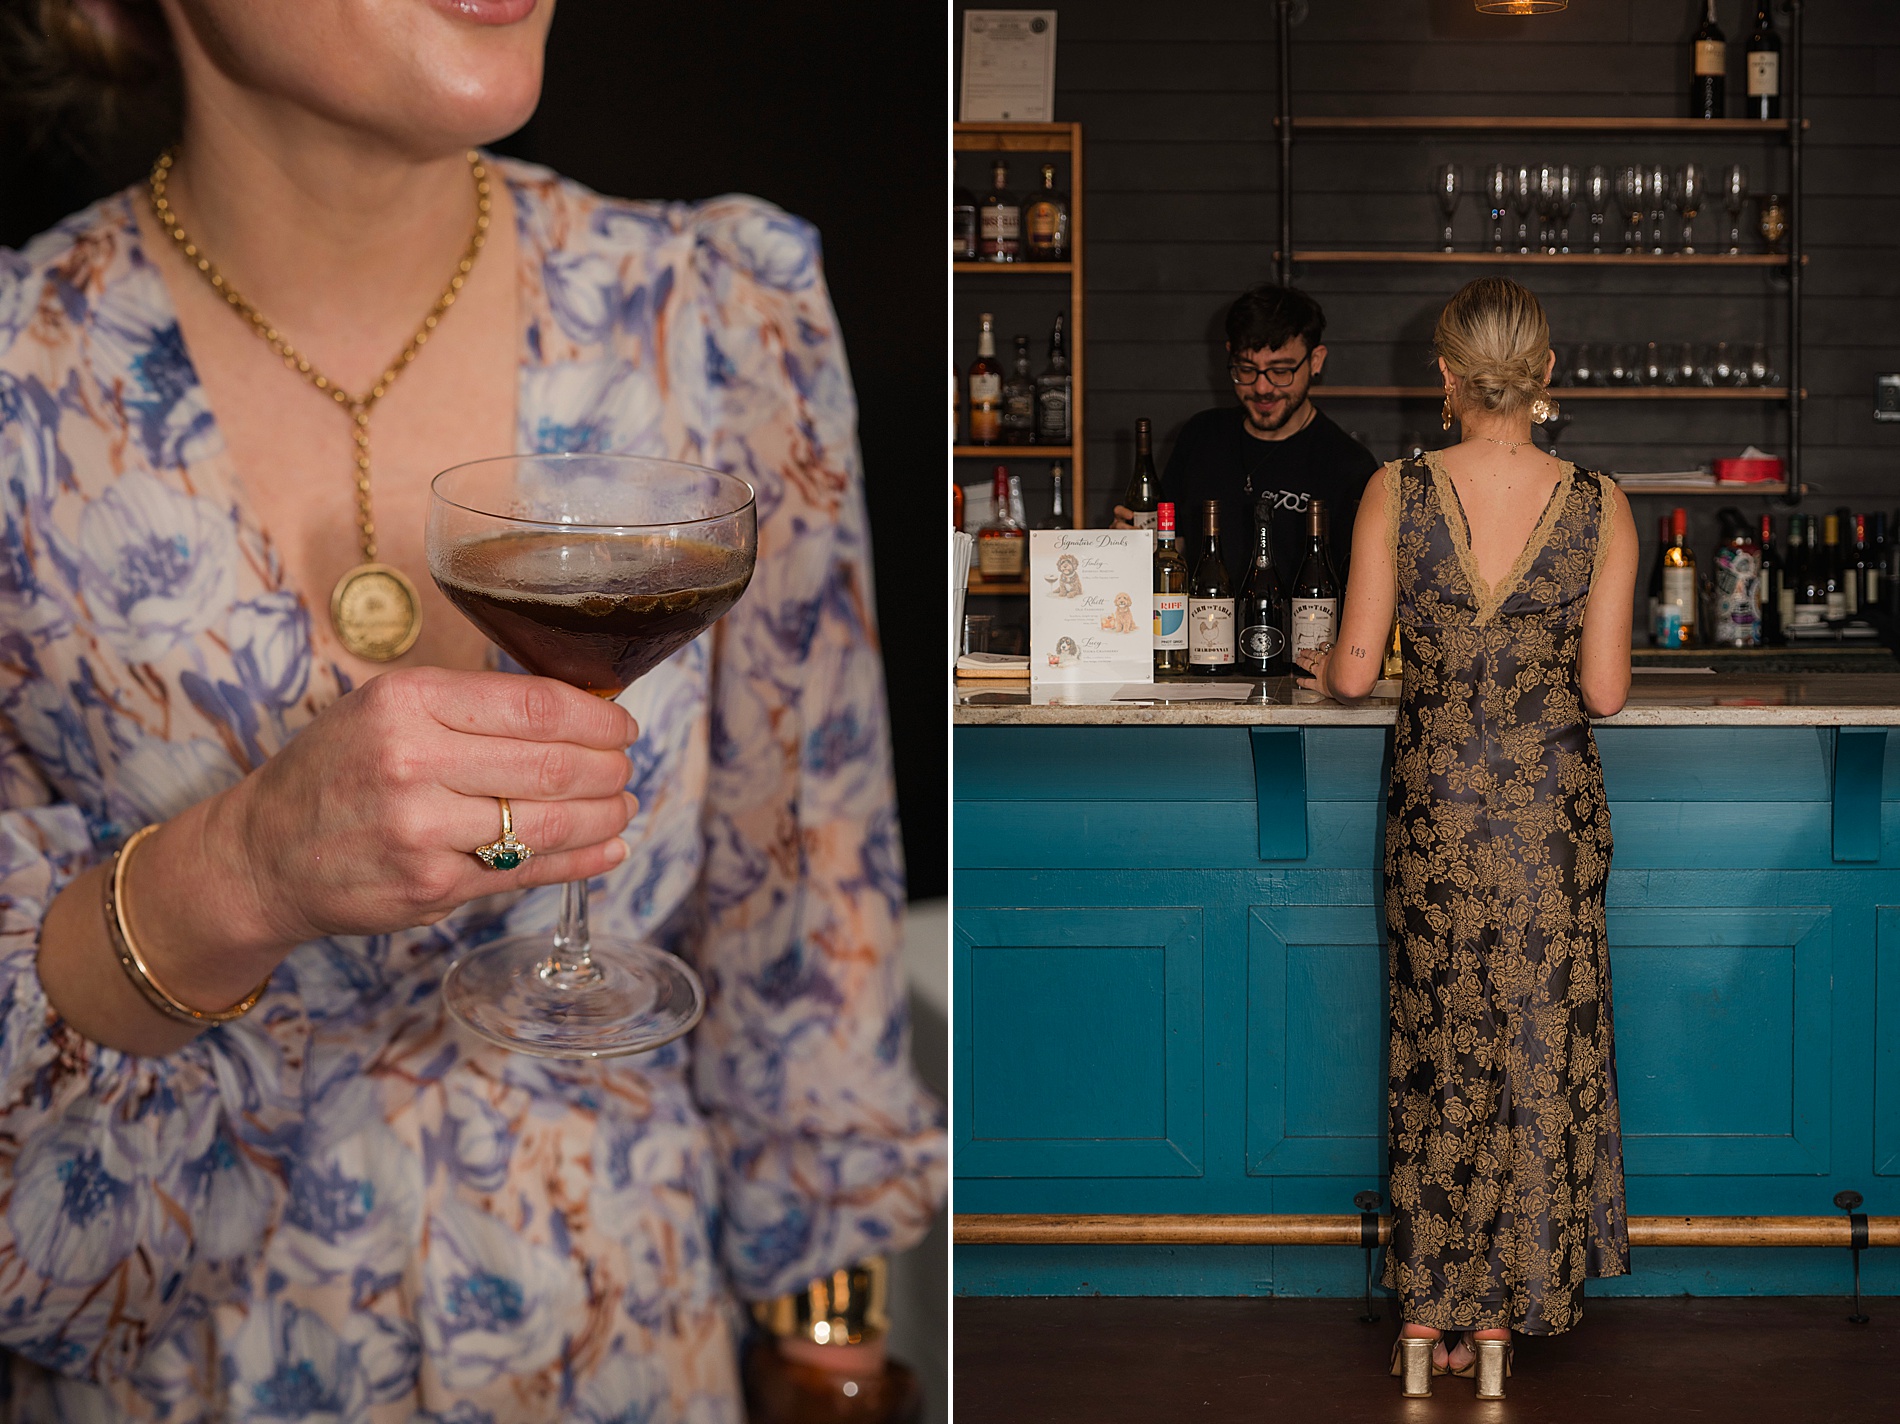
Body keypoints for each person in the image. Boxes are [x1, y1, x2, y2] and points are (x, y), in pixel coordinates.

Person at [0, 1, 941, 1418]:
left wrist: (831, 1363)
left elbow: (816, 919)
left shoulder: (716, 313)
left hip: (634, 1362)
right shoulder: (20, 384)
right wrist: (238, 868)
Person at [1293, 277, 1637, 1398]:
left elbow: (1352, 670)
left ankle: (1431, 1309)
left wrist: (1335, 667)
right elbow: (1605, 687)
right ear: (1546, 374)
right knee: (1537, 1051)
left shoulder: (1393, 489)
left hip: (1436, 814)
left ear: (1442, 376)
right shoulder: (1599, 500)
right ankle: (1508, 1307)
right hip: (1545, 817)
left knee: (1437, 1054)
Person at [1114, 284, 1379, 587]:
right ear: (1230, 354)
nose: (1262, 388)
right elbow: (1174, 552)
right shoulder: (1200, 437)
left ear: (1315, 361)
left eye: (1280, 371)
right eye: (1246, 369)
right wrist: (1133, 547)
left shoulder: (1348, 465)